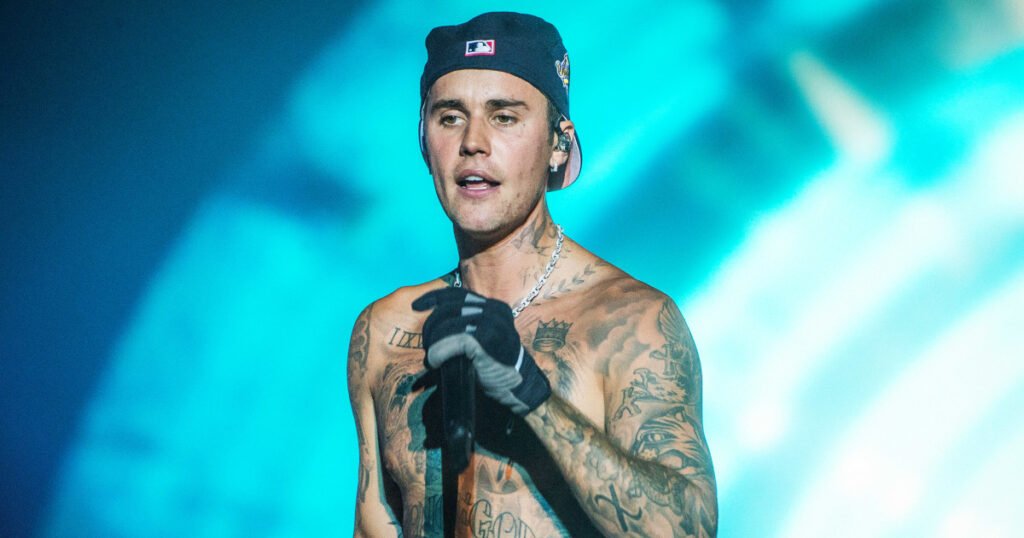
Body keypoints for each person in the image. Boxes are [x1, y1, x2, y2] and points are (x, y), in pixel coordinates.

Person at [347, 11, 717, 537]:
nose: (473, 142)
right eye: (450, 117)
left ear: (558, 144)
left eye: (504, 117)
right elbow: (374, 522)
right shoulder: (385, 330)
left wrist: (533, 395)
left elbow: (689, 530)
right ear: (424, 142)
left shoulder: (631, 321)